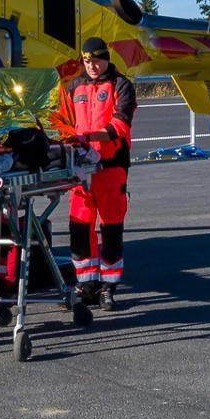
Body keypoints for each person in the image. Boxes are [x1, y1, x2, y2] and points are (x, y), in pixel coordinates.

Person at [54, 37, 137, 310]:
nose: (92, 66)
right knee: (79, 226)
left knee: (111, 227)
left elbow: (121, 123)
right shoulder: (74, 87)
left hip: (110, 166)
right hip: (80, 167)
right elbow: (63, 121)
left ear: (106, 58)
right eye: (87, 61)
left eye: (96, 60)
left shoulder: (121, 85)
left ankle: (108, 286)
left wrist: (91, 136)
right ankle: (86, 282)